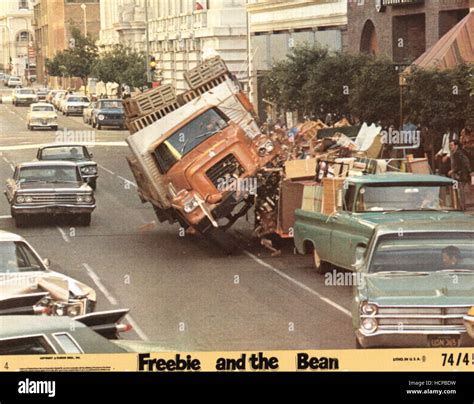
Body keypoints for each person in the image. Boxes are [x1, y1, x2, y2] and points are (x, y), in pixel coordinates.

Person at [448, 139, 471, 209]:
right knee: (457, 189)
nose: (450, 147)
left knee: (461, 190)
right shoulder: (454, 153)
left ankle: (462, 206)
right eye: (450, 145)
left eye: (451, 145)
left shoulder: (459, 153)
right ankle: (458, 205)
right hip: (457, 175)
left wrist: (453, 170)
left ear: (456, 146)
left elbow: (463, 163)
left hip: (461, 175)